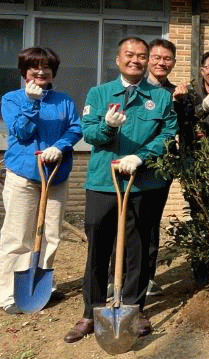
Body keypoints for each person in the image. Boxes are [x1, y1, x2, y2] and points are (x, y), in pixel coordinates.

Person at [64, 37, 177, 343]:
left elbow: (168, 134)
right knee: (98, 248)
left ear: (147, 61)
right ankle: (91, 312)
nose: (135, 60)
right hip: (103, 182)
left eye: (141, 56)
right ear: (118, 60)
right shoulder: (99, 93)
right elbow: (89, 132)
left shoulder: (160, 97)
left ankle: (133, 308)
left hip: (142, 184)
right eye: (129, 55)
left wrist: (141, 156)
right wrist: (108, 127)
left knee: (137, 250)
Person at [0, 48, 82, 314]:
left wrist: (60, 146)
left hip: (56, 175)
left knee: (51, 234)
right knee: (18, 235)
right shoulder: (12, 99)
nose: (40, 72)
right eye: (34, 67)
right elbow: (22, 132)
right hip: (23, 174)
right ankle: (8, 293)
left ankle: (42, 285)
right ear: (24, 72)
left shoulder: (64, 100)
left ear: (53, 72)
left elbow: (75, 128)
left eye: (46, 67)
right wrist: (32, 103)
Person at [143, 38, 189, 296]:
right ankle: (118, 275)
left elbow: (184, 127)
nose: (161, 63)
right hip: (132, 164)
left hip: (161, 166)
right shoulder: (135, 87)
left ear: (173, 62)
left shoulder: (175, 92)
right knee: (126, 221)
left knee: (151, 223)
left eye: (167, 59)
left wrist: (180, 102)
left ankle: (147, 278)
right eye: (157, 57)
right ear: (148, 59)